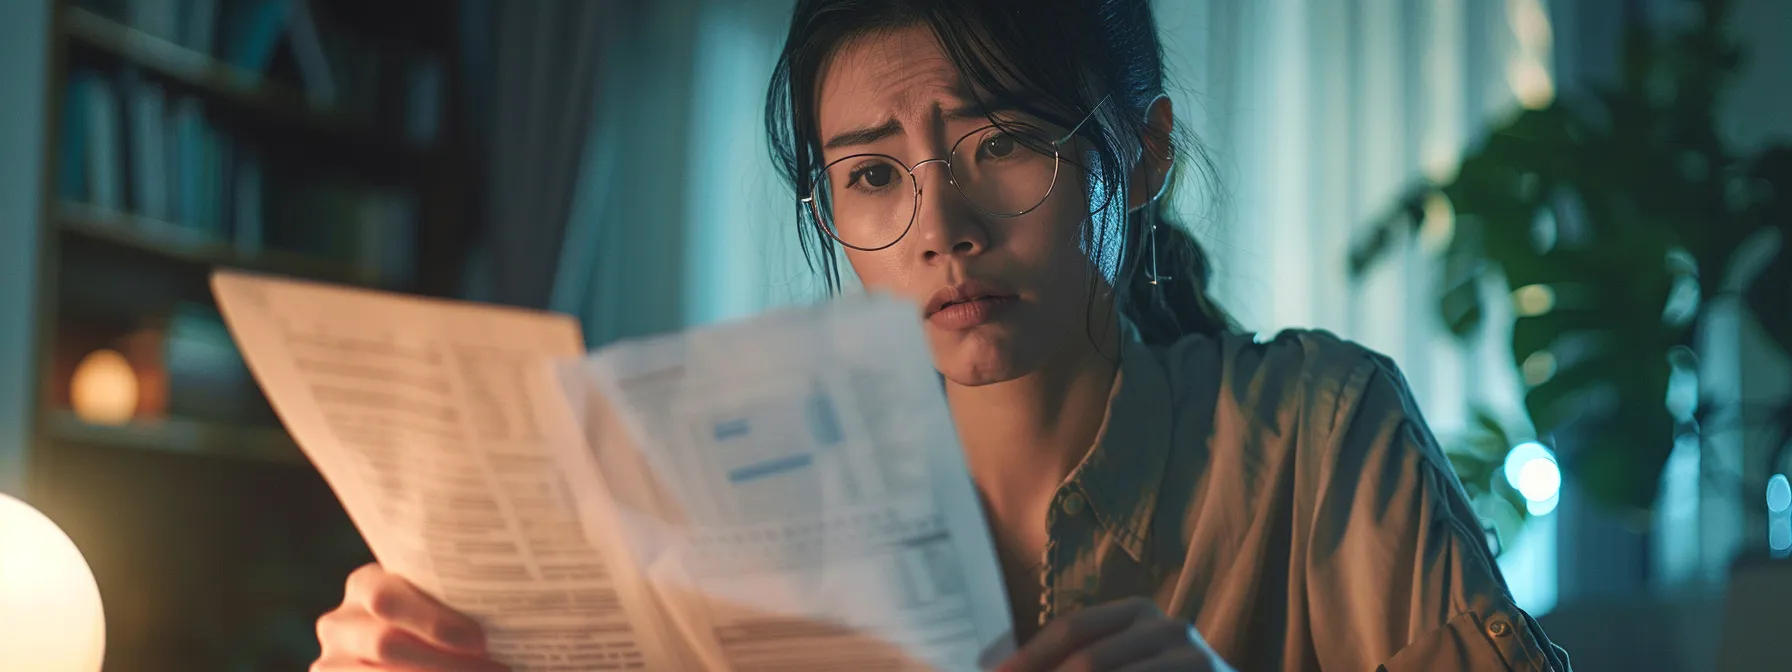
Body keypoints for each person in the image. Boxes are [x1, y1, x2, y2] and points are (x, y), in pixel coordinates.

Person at [311, 0, 1573, 670]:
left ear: (1138, 155)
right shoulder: (725, 497)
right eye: (870, 175)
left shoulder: (1315, 433)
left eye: (1003, 143)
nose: (940, 229)